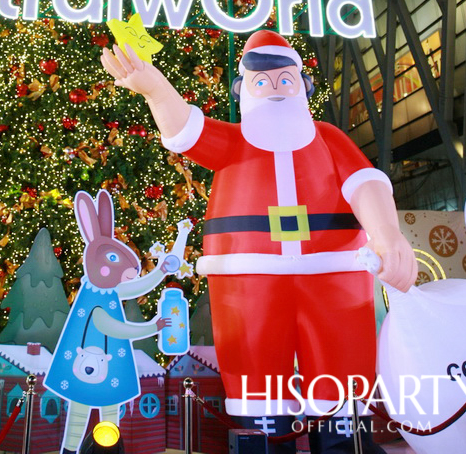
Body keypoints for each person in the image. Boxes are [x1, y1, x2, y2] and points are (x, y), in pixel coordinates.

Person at [102, 29, 417, 454]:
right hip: (248, 275)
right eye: (263, 82)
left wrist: (386, 233)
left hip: (333, 271)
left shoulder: (327, 138)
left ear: (302, 88)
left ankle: (344, 442)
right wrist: (157, 89)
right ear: (243, 91)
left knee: (342, 360)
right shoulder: (233, 141)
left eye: (286, 80)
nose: (275, 89)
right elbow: (186, 130)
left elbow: (364, 183)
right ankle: (264, 440)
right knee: (254, 367)